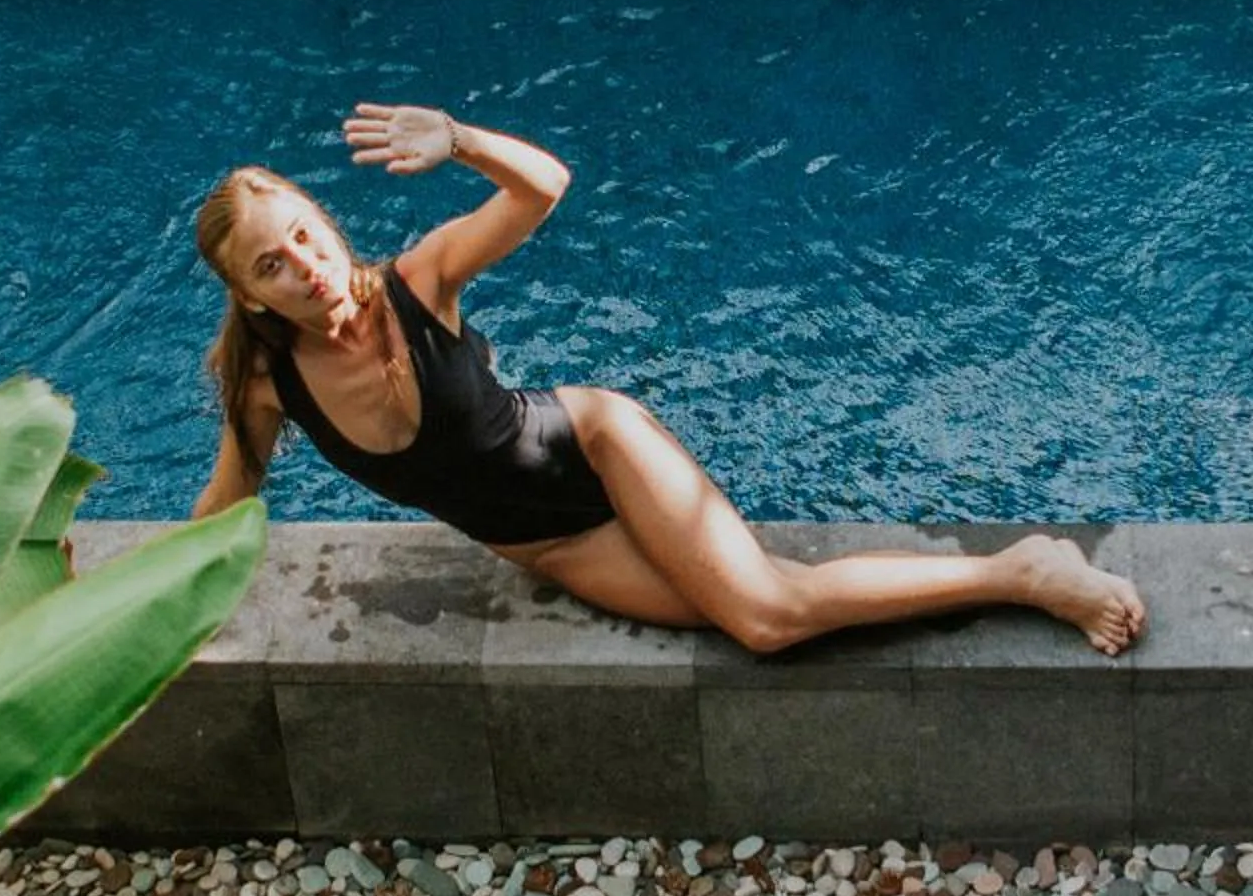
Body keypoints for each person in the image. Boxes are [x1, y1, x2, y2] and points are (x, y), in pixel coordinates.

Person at [190, 104, 1146, 656]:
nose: (306, 265)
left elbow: (544, 187)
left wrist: (458, 138)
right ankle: (1021, 569)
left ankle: (1023, 573)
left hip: (594, 443)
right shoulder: (269, 386)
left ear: (325, 223)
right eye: (273, 264)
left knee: (767, 616)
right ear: (248, 292)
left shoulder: (419, 281)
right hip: (553, 544)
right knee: (768, 609)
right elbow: (228, 504)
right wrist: (136, 620)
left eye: (306, 235)